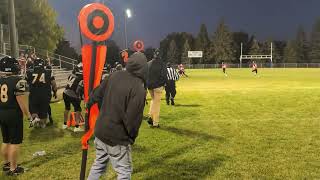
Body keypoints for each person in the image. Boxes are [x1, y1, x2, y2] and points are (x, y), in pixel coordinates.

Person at [86, 52, 148, 180]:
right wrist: (131, 137)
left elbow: (96, 95)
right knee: (124, 172)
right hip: (117, 137)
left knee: (98, 165)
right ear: (143, 67)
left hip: (101, 130)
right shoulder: (138, 87)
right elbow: (133, 118)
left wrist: (88, 104)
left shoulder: (114, 75)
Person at [0, 56, 33, 176]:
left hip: (2, 112)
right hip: (13, 113)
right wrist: (28, 115)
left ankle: (7, 164)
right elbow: (21, 101)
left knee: (6, 140)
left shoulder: (1, 80)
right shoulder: (19, 81)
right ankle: (13, 169)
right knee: (15, 142)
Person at [26, 58, 57, 128]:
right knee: (44, 111)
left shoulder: (29, 72)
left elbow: (26, 84)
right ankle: (42, 124)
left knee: (33, 110)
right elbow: (54, 84)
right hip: (45, 94)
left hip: (33, 94)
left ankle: (36, 121)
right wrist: (55, 92)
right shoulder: (49, 71)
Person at [146, 49, 167, 128]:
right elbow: (164, 76)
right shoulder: (162, 64)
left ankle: (150, 117)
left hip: (150, 86)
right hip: (158, 86)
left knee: (153, 101)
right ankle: (155, 123)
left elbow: (145, 75)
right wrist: (162, 84)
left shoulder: (148, 63)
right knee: (157, 104)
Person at [62, 63, 84, 132]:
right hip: (73, 94)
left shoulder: (71, 75)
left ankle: (65, 124)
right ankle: (77, 127)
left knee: (67, 108)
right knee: (78, 109)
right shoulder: (81, 76)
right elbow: (80, 87)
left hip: (65, 92)